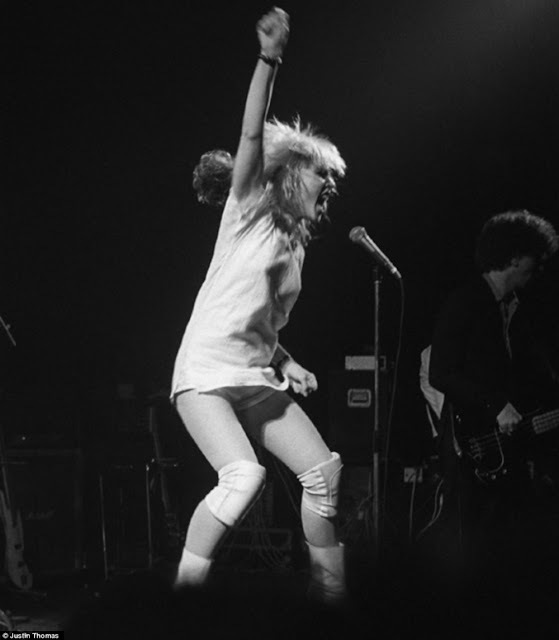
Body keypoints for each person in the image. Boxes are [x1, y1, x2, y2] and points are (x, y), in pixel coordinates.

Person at [170, 8, 347, 604]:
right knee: (242, 476)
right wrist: (270, 57)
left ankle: (332, 602)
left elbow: (256, 320)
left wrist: (286, 360)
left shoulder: (297, 246)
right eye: (321, 174)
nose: (330, 186)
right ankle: (181, 603)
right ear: (291, 175)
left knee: (323, 475)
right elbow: (251, 137)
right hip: (205, 374)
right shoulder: (249, 208)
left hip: (253, 374)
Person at [427, 209, 558, 575]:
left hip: (510, 447)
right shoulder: (465, 302)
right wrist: (496, 406)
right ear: (514, 258)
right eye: (535, 257)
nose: (540, 266)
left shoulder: (517, 309)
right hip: (471, 445)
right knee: (472, 543)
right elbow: (441, 373)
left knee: (508, 544)